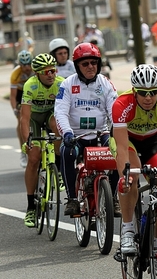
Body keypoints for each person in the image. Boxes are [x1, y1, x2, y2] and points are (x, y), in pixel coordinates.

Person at [110, 64, 157, 275]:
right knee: (130, 177)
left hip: (152, 142)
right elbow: (122, 147)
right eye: (143, 93)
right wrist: (125, 174)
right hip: (128, 142)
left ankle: (156, 245)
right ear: (134, 91)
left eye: (153, 92)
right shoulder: (122, 104)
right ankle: (127, 229)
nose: (148, 97)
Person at [54, 42, 121, 217]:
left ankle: (113, 197)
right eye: (85, 64)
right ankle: (72, 200)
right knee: (67, 152)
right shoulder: (67, 84)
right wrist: (67, 133)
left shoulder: (106, 84)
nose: (90, 67)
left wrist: (116, 133)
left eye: (94, 63)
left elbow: (115, 111)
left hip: (101, 134)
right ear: (77, 66)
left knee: (119, 151)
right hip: (76, 137)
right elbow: (60, 112)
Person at [20, 53, 65, 228]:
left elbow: (66, 113)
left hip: (50, 117)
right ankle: (31, 207)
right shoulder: (30, 86)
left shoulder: (61, 84)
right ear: (37, 73)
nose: (51, 74)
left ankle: (59, 170)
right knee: (33, 159)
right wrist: (27, 141)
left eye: (53, 70)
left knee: (57, 124)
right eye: (46, 72)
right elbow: (24, 118)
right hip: (34, 120)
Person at [10, 50, 35, 168]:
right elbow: (13, 96)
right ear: (19, 65)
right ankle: (23, 152)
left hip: (34, 93)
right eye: (24, 65)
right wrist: (15, 108)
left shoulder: (36, 70)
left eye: (29, 64)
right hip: (21, 95)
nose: (27, 67)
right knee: (21, 121)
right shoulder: (15, 74)